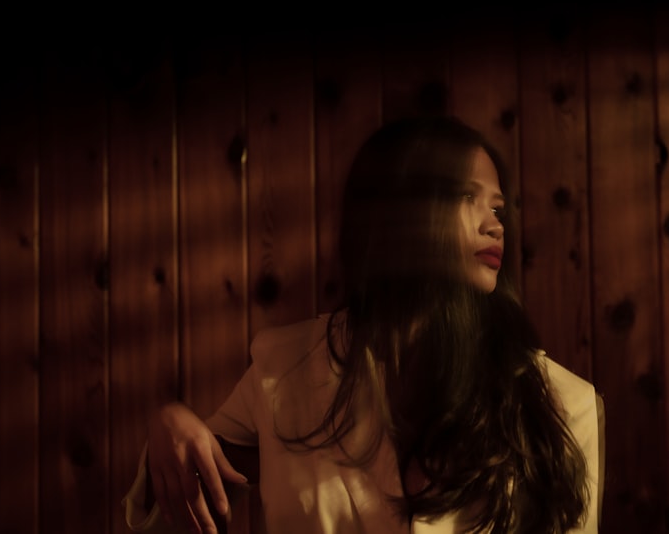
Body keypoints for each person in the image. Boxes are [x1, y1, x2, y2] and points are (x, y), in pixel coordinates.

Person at [123, 116, 601, 533]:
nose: (495, 225)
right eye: (465, 196)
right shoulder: (283, 369)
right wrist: (169, 425)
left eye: (497, 208)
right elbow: (178, 515)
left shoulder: (559, 402)